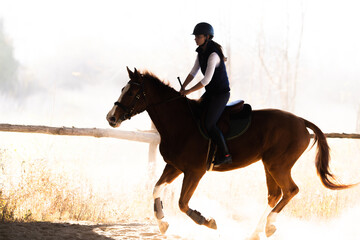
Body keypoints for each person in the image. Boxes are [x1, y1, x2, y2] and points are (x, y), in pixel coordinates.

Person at [180, 22, 232, 167]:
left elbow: (206, 80)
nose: (195, 39)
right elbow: (193, 72)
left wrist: (188, 92)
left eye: (198, 36)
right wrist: (183, 86)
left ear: (207, 37)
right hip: (210, 93)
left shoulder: (214, 55)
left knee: (209, 124)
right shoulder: (201, 52)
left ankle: (226, 154)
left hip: (221, 95)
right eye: (195, 36)